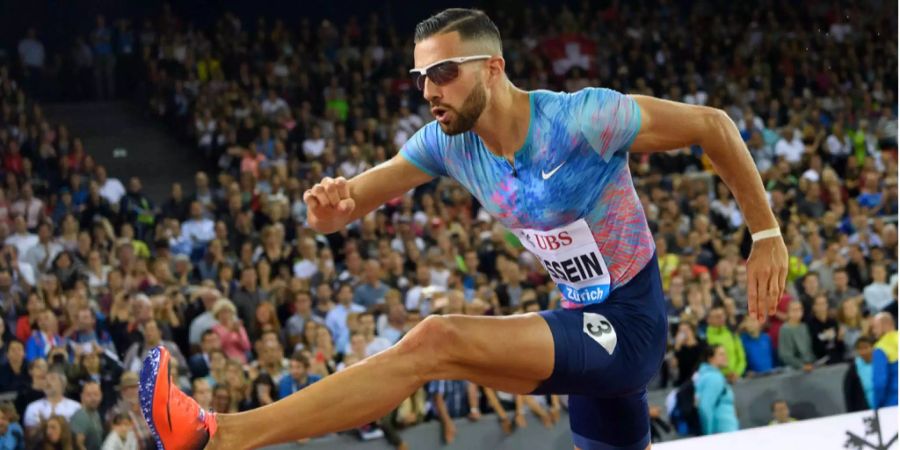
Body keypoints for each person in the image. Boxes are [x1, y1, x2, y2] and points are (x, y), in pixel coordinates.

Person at [140, 9, 788, 450]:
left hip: (631, 322)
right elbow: (360, 195)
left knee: (435, 341)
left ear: (494, 68)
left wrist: (764, 236)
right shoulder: (447, 144)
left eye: (444, 72)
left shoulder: (585, 118)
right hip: (583, 324)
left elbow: (713, 126)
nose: (430, 89)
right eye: (421, 76)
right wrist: (333, 210)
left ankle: (219, 436)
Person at [694, 345, 739, 435]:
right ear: (711, 358)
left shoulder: (712, 376)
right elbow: (705, 407)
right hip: (722, 432)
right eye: (721, 354)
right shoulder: (713, 377)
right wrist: (708, 434)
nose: (726, 357)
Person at [871, 312, 898, 407]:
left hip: (893, 403)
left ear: (886, 325)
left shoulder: (881, 348)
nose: (873, 331)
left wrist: (876, 405)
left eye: (875, 327)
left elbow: (880, 383)